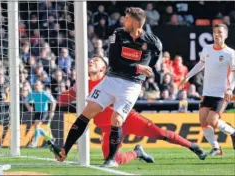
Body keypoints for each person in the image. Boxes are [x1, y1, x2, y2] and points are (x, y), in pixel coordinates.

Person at [49, 7, 163, 168]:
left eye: (127, 17)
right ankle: (64, 150)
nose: (123, 19)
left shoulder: (152, 41)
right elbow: (115, 62)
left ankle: (111, 160)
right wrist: (138, 68)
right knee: (87, 112)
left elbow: (157, 52)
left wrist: (144, 71)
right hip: (111, 79)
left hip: (130, 85)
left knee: (116, 119)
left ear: (136, 22)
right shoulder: (118, 34)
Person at [48, 56, 207, 167]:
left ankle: (192, 146)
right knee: (113, 159)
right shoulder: (81, 85)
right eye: (91, 59)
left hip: (127, 119)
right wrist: (64, 93)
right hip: (108, 129)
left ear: (104, 68)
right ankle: (138, 153)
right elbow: (63, 100)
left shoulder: (111, 80)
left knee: (161, 134)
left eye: (96, 60)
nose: (91, 61)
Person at [180, 24, 235, 155]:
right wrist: (187, 77)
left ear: (226, 35)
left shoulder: (230, 53)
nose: (217, 35)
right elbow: (201, 64)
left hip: (222, 93)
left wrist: (230, 89)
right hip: (207, 92)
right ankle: (216, 148)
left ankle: (233, 132)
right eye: (215, 32)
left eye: (220, 32)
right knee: (203, 121)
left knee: (212, 120)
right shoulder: (207, 49)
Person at [25, 80, 57, 147]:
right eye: (35, 85)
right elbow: (26, 101)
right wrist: (29, 107)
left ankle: (35, 142)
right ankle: (50, 138)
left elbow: (53, 101)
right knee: (37, 127)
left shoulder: (44, 93)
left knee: (37, 126)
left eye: (37, 85)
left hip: (44, 112)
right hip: (37, 112)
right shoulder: (33, 93)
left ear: (41, 86)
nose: (36, 86)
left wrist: (52, 112)